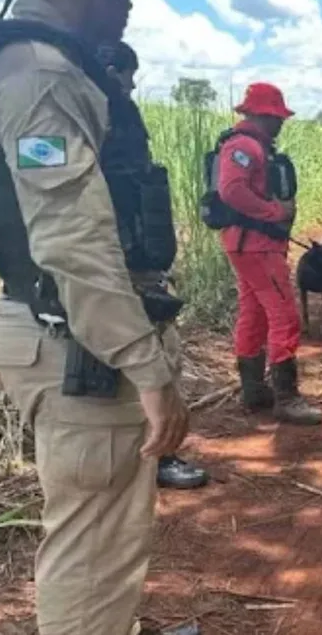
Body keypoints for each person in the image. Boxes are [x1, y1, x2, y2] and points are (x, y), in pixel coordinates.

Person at [0, 0, 195, 634]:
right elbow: (73, 237)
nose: (127, 4)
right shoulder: (40, 72)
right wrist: (146, 368)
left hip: (73, 337)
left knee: (104, 540)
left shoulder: (39, 63)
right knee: (93, 548)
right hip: (81, 349)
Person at [97, 40, 209, 491]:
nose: (132, 83)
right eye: (128, 73)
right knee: (158, 357)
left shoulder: (107, 116)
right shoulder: (101, 115)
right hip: (121, 266)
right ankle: (159, 456)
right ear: (111, 69)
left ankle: (145, 455)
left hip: (130, 261)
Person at [215, 82, 322, 425]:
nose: (281, 123)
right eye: (277, 117)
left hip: (249, 244)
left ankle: (254, 390)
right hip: (257, 245)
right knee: (284, 316)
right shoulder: (245, 147)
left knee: (255, 313)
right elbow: (231, 190)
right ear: (262, 115)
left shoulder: (248, 145)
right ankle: (287, 398)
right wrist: (273, 213)